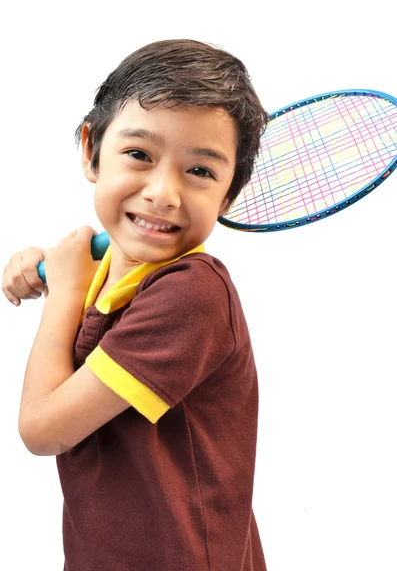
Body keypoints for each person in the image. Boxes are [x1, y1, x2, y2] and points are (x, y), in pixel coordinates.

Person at [2, 39, 269, 570]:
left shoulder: (192, 294)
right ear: (90, 150)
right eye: (140, 155)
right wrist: (48, 264)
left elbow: (43, 428)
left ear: (229, 194)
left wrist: (66, 294)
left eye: (201, 171)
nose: (163, 193)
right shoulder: (108, 270)